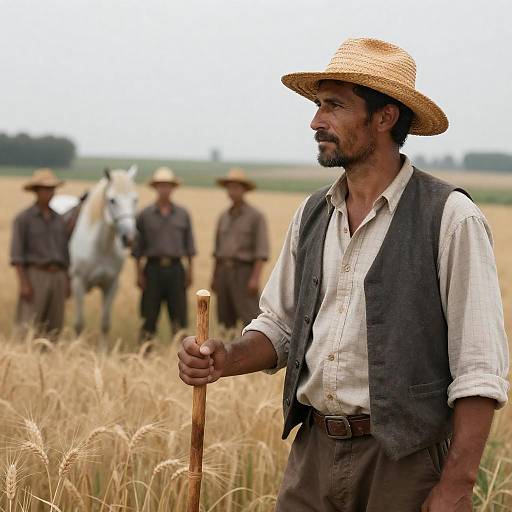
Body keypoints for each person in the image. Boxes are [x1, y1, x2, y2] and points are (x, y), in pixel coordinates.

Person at [178, 38, 509, 511]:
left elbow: (479, 368)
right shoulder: (314, 213)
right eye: (318, 105)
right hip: (313, 453)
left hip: (404, 464)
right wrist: (223, 358)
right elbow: (281, 327)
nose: (316, 121)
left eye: (334, 106)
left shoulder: (450, 217)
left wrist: (457, 483)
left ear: (384, 117)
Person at [132, 167, 196, 340]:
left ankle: (182, 356)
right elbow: (137, 249)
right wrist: (138, 273)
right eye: (160, 186)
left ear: (173, 188)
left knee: (179, 316)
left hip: (176, 270)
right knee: (148, 316)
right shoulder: (145, 215)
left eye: (167, 186)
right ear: (155, 188)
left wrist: (190, 271)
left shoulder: (183, 214)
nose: (164, 189)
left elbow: (189, 245)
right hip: (152, 270)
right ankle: (145, 354)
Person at [10, 168, 71, 339]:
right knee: (29, 324)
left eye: (52, 189)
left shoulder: (59, 219)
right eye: (45, 189)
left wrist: (67, 279)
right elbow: (17, 255)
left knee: (54, 326)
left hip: (58, 275)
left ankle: (51, 361)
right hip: (36, 275)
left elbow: (65, 252)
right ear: (36, 191)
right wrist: (24, 283)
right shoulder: (24, 219)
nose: (49, 193)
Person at [212, 168, 269, 328]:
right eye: (229, 187)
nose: (232, 191)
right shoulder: (223, 216)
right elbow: (217, 251)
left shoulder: (255, 217)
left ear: (244, 190)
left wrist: (255, 279)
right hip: (224, 273)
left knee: (250, 318)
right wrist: (215, 276)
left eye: (236, 187)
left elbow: (261, 251)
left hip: (244, 273)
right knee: (225, 319)